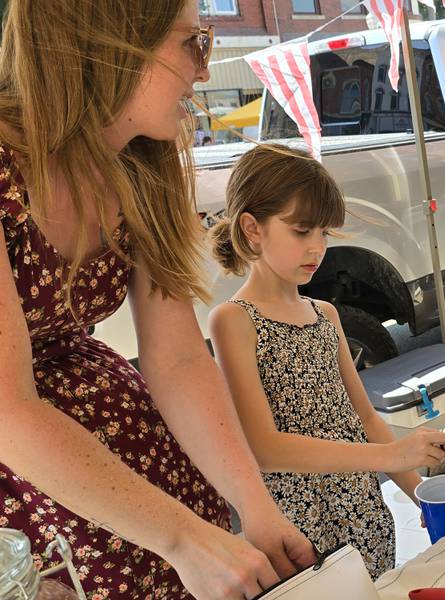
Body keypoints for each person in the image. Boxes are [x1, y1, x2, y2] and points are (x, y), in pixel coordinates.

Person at [0, 1, 316, 599]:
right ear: (106, 42)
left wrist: (256, 507)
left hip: (127, 470)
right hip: (32, 493)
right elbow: (8, 410)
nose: (204, 71)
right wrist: (184, 540)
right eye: (193, 43)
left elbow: (176, 359)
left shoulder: (142, 160)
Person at [208, 144, 445, 579]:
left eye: (324, 233)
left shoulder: (327, 314)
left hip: (364, 511)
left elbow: (366, 420)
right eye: (302, 231)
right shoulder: (233, 320)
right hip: (300, 530)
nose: (317, 247)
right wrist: (392, 455)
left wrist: (423, 495)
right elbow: (265, 450)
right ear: (252, 228)